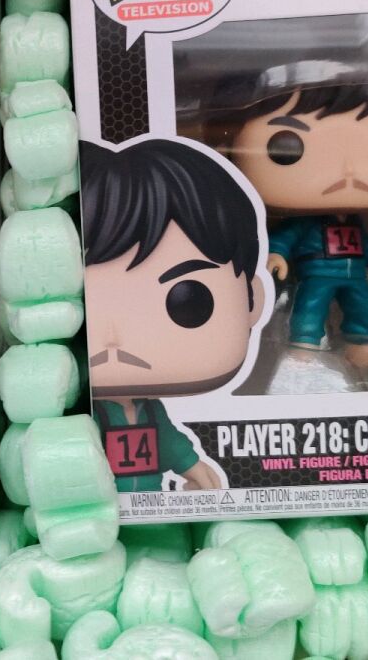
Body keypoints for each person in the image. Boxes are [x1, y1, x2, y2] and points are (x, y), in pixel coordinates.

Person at [81, 138, 270, 492]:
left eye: (188, 301)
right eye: (79, 303)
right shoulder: (88, 415)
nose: (113, 336)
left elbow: (167, 440)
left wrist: (191, 466)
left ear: (252, 301)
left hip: (151, 499)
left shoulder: (150, 411)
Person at [229, 83, 368, 368]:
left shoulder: (354, 221)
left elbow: (366, 244)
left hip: (354, 274)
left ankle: (360, 347)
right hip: (318, 273)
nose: (349, 170)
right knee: (309, 307)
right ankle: (303, 348)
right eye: (287, 147)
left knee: (367, 307)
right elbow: (286, 236)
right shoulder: (305, 221)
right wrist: (276, 253)